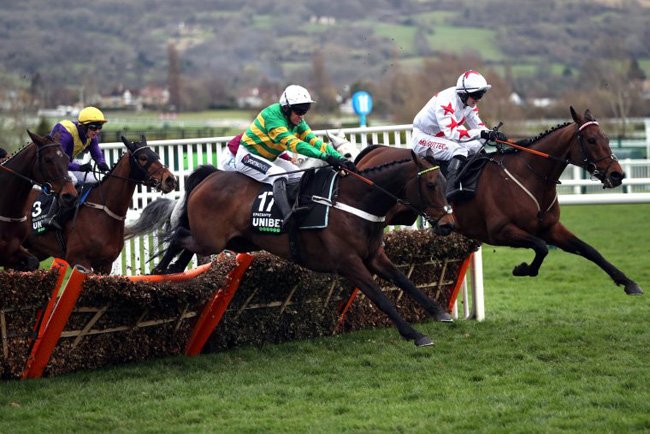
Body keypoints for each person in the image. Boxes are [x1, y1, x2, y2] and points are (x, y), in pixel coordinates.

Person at [234, 84, 356, 227]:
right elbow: (294, 144)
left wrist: (339, 158)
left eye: (305, 110)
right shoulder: (272, 117)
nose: (302, 116)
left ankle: (299, 208)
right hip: (247, 156)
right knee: (278, 174)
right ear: (286, 108)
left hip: (270, 158)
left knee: (299, 176)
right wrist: (326, 157)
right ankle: (287, 216)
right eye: (299, 111)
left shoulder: (298, 121)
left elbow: (315, 142)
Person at [411, 70, 507, 201]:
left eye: (481, 95)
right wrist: (482, 133)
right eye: (476, 95)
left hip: (442, 136)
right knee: (458, 150)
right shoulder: (445, 101)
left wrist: (492, 135)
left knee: (478, 145)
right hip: (423, 138)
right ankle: (450, 189)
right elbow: (452, 133)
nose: (478, 99)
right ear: (463, 93)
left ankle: (477, 181)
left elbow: (478, 127)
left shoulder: (469, 103)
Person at [42, 106, 110, 229]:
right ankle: (50, 216)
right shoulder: (66, 133)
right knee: (72, 180)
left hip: (65, 165)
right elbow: (59, 162)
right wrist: (79, 167)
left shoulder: (91, 136)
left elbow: (96, 152)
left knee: (94, 180)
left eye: (99, 127)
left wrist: (101, 162)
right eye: (93, 127)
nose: (97, 131)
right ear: (83, 126)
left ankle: (80, 210)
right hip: (52, 166)